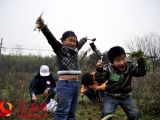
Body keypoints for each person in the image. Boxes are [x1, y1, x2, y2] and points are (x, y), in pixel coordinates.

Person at [35, 17, 88, 120]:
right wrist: (43, 27)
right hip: (65, 85)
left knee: (72, 112)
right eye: (70, 40)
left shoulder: (75, 50)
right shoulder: (59, 49)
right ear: (63, 41)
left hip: (75, 84)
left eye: (74, 41)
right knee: (62, 112)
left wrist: (84, 39)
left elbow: (80, 43)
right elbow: (51, 39)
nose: (73, 43)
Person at [96, 46, 146, 120]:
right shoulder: (107, 68)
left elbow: (141, 73)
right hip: (110, 95)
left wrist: (141, 62)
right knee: (106, 114)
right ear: (112, 62)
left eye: (123, 59)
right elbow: (100, 80)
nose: (122, 62)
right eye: (117, 60)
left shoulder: (130, 66)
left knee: (135, 114)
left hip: (125, 96)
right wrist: (99, 70)